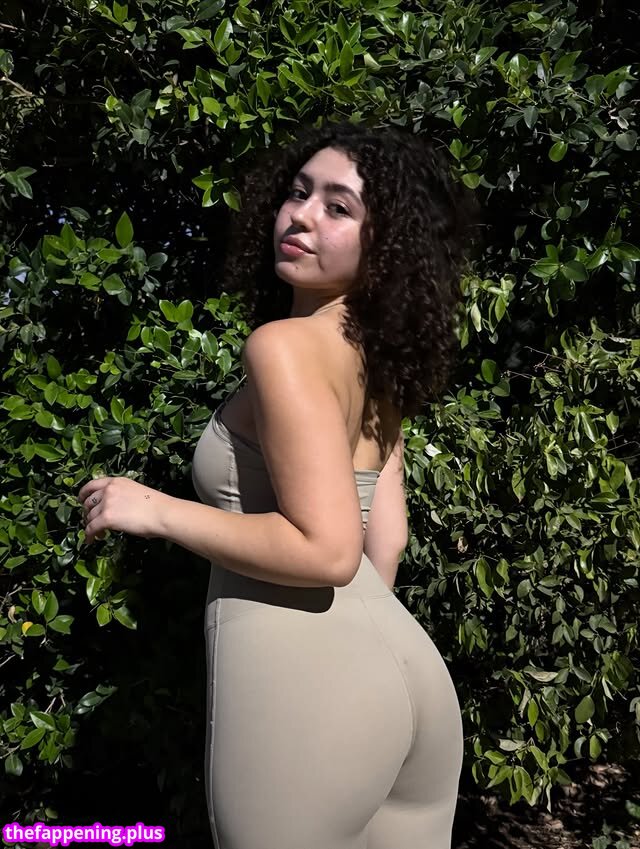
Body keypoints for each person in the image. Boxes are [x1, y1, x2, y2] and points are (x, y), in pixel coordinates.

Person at [79, 119, 475, 849]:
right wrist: (362, 663)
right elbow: (385, 540)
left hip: (302, 679)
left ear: (384, 244)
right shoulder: (375, 361)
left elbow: (328, 551)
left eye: (338, 206)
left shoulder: (283, 347)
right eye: (298, 192)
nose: (301, 215)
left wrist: (153, 508)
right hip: (410, 675)